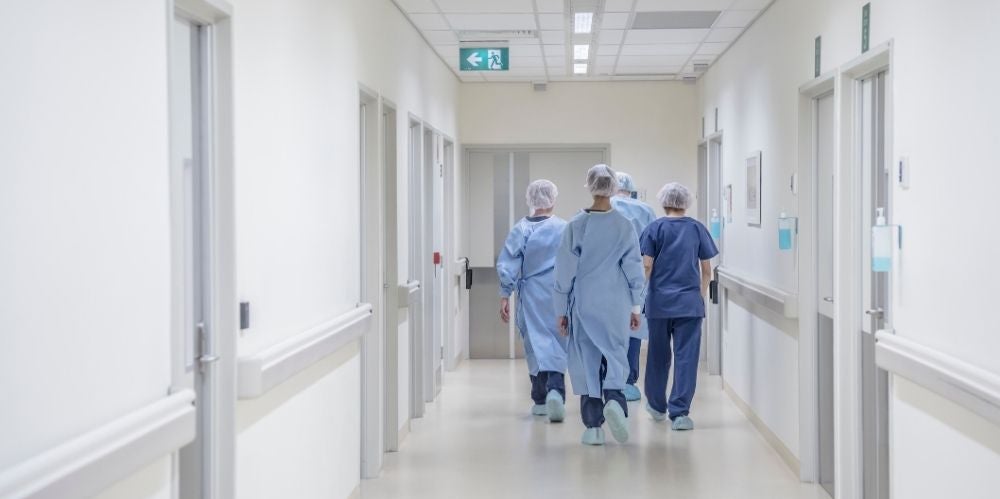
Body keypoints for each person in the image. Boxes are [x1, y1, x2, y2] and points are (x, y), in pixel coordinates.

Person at [554, 164, 645, 446]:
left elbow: (563, 273)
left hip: (584, 303)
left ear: (590, 186)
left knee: (587, 361)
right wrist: (635, 307)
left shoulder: (575, 226)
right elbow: (635, 270)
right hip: (616, 304)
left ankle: (593, 427)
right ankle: (615, 401)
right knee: (616, 355)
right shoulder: (624, 225)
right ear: (614, 187)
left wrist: (560, 311)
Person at [640, 182, 719, 431]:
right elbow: (707, 270)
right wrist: (700, 296)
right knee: (686, 358)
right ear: (686, 203)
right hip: (689, 305)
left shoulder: (654, 229)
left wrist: (638, 298)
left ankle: (656, 405)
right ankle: (680, 413)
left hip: (659, 304)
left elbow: (646, 267)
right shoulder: (697, 229)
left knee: (657, 356)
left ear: (664, 202)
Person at [497, 179, 570, 423]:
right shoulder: (564, 227)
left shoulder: (521, 229)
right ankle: (556, 392)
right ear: (553, 199)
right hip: (559, 292)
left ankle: (540, 399)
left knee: (535, 344)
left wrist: (505, 294)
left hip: (530, 294)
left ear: (531, 200)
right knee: (558, 342)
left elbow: (508, 264)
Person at [611, 172, 657, 402]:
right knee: (633, 327)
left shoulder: (602, 208)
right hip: (638, 278)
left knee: (605, 330)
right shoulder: (646, 211)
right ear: (631, 190)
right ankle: (628, 382)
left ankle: (608, 380)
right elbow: (654, 249)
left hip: (604, 279)